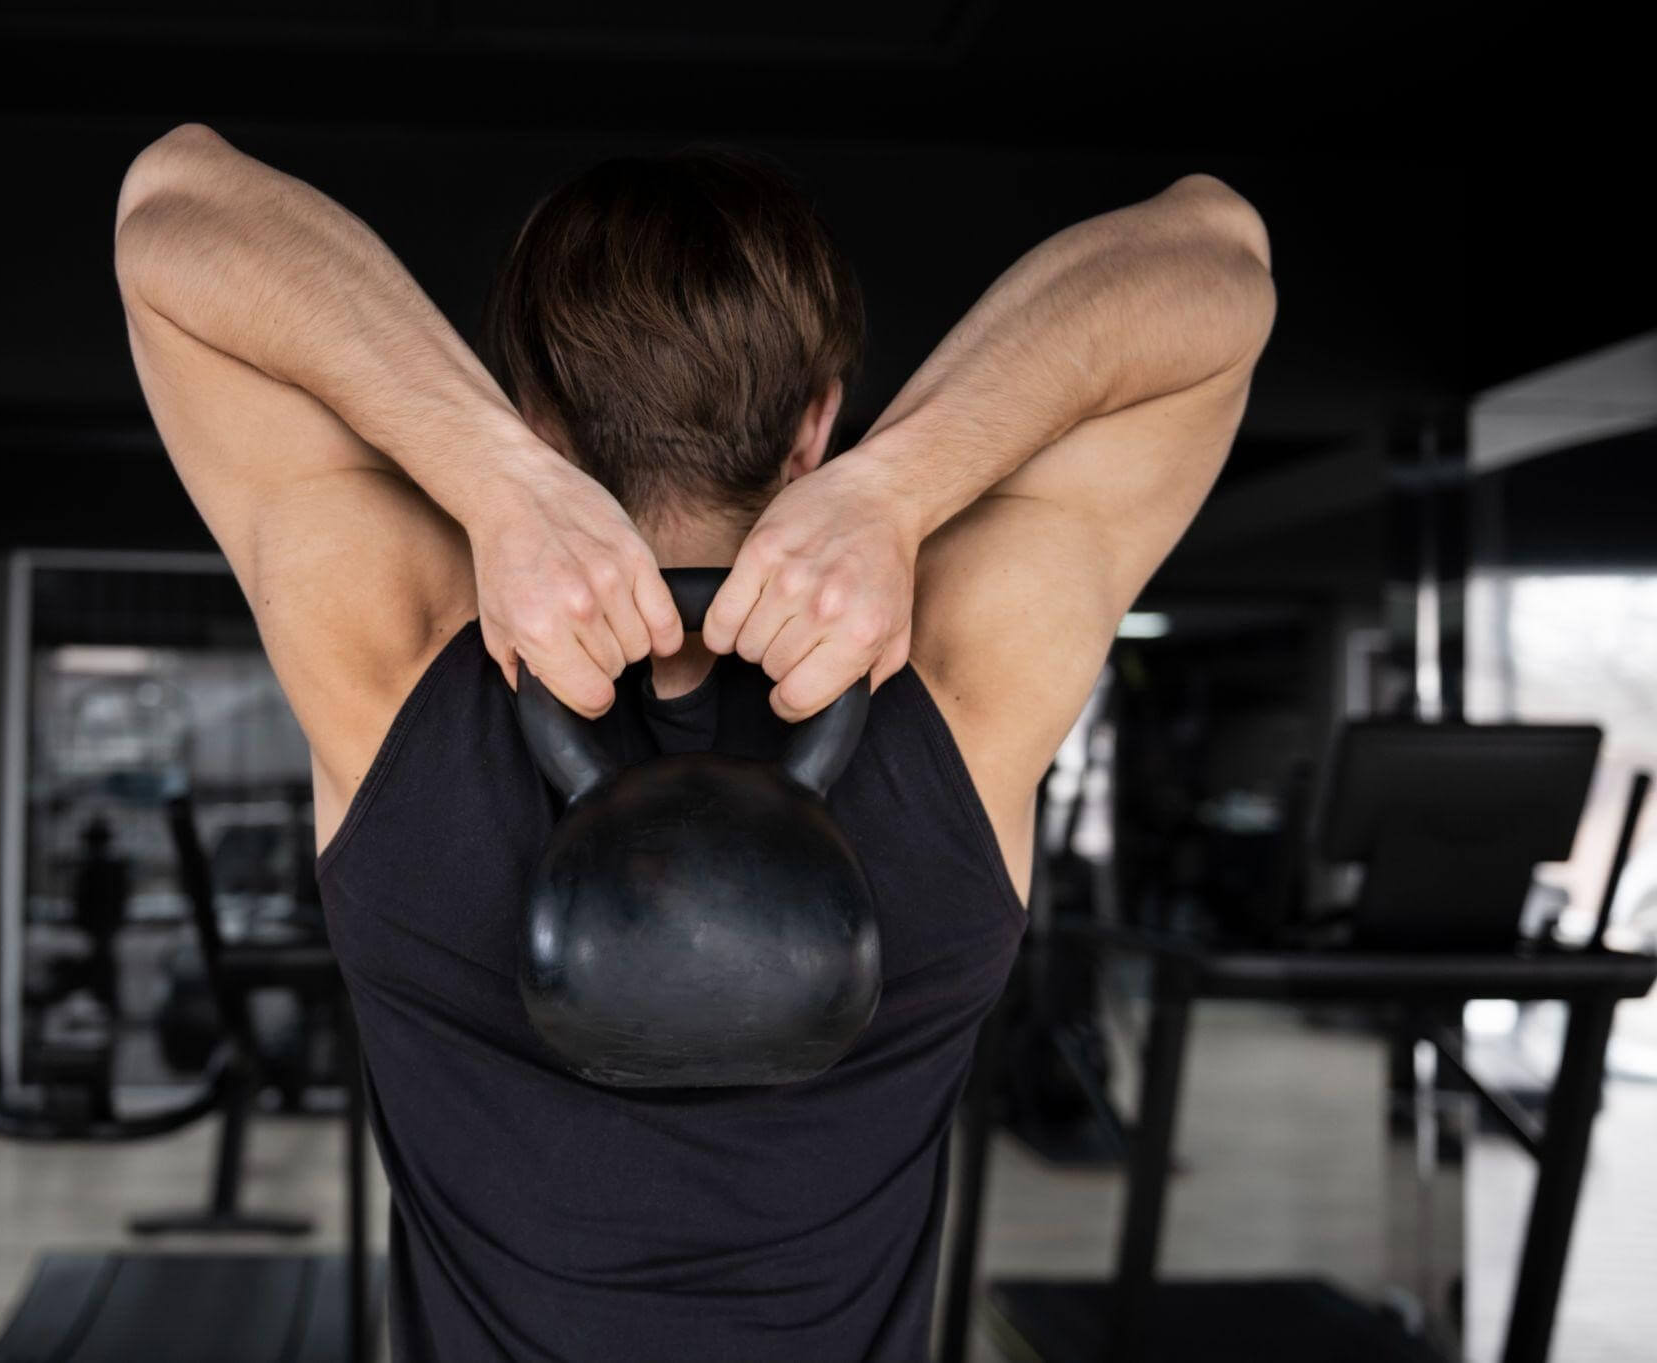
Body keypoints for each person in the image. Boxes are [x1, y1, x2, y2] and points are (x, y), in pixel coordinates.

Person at [115, 127, 1274, 1362]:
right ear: (814, 424)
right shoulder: (953, 674)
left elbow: (171, 204)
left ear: (537, 416)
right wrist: (894, 487)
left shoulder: (400, 650)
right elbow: (1216, 251)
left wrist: (491, 474)